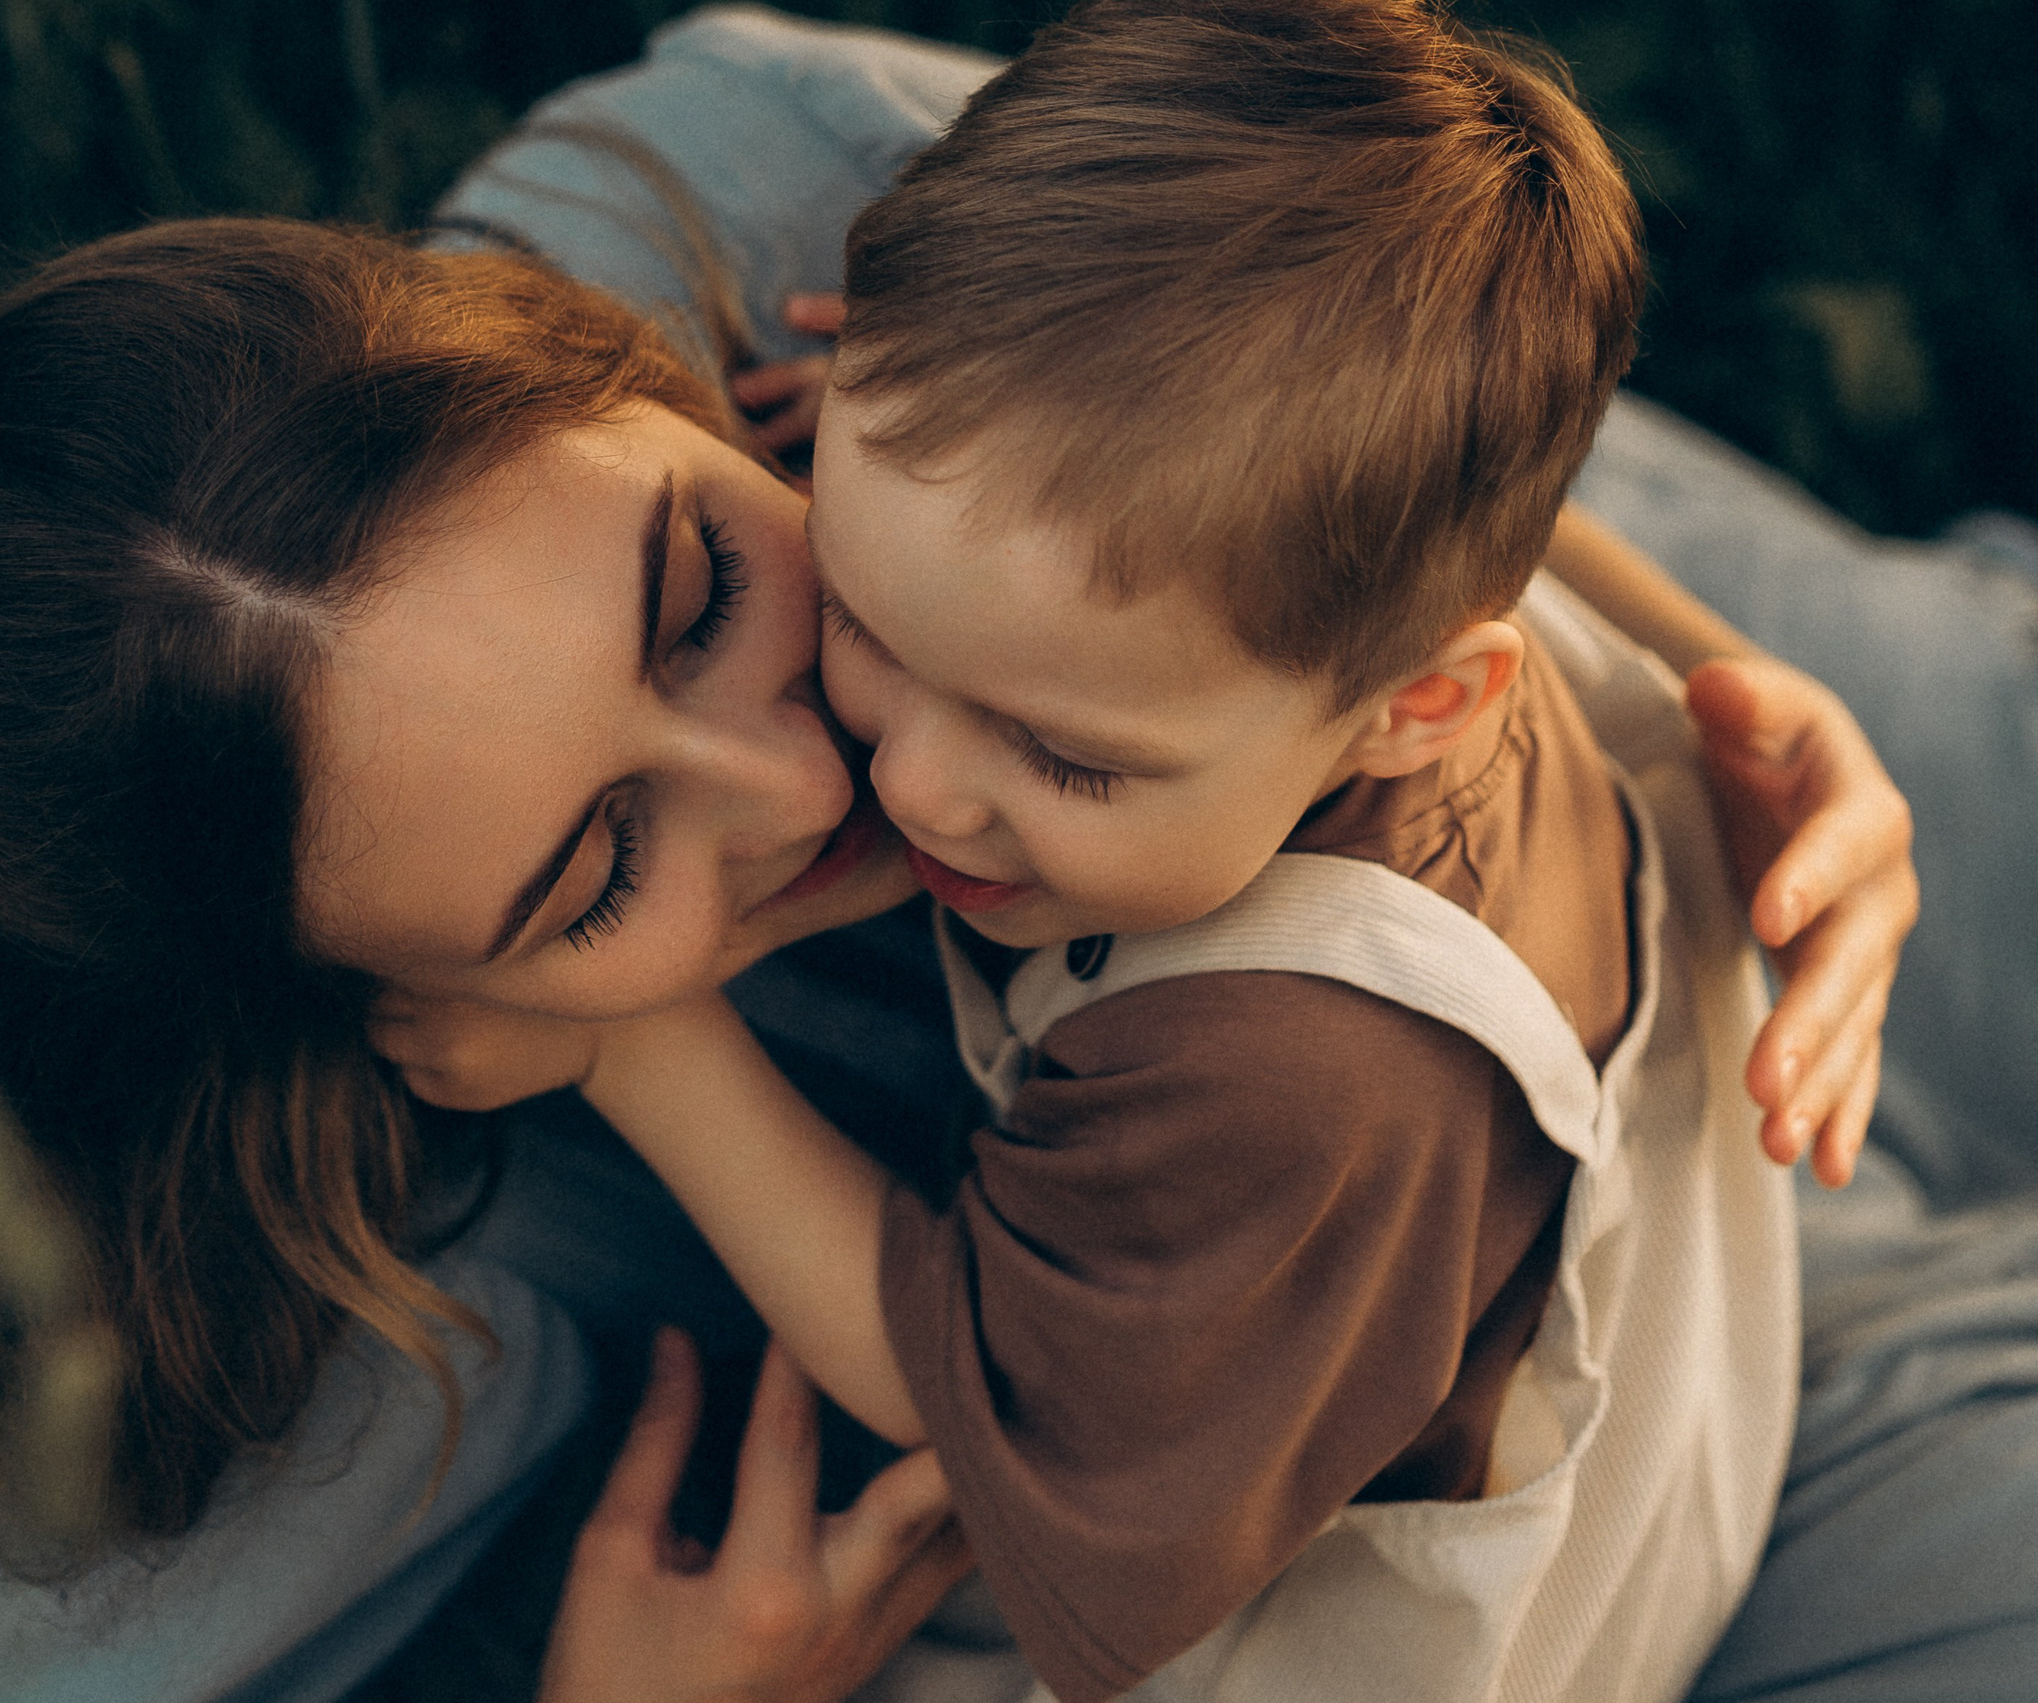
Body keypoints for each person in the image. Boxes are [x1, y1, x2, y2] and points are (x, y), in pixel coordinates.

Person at [0, 11, 1922, 1703]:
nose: (825, 789)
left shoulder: (885, 338)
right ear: (405, 1012)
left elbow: (1321, 455)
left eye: (699, 588)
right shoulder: (432, 1310)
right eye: (594, 875)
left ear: (656, 381)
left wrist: (1732, 677)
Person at [422, 3, 1802, 1698]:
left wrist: (629, 1039)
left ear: (1418, 706)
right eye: (861, 607)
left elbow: (968, 1391)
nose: (912, 785)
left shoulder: (1301, 1074)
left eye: (1063, 754)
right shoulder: (1256, 598)